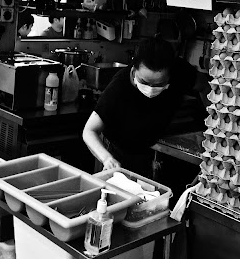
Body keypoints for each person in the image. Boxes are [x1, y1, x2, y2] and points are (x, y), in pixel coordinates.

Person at [82, 36, 209, 176]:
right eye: (144, 82)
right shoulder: (118, 87)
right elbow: (89, 131)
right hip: (120, 150)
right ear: (133, 71)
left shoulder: (180, 71)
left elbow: (205, 86)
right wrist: (107, 159)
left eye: (159, 84)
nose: (150, 88)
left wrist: (214, 121)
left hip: (157, 147)